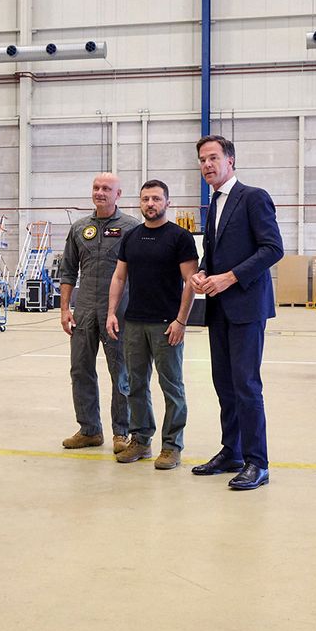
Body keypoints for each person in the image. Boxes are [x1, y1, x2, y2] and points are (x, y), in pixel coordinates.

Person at [190, 135, 284, 490]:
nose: (207, 165)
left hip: (246, 306)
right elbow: (213, 252)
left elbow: (273, 248)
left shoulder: (253, 197)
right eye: (202, 160)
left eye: (213, 158)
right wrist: (202, 270)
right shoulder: (214, 203)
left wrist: (230, 277)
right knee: (224, 384)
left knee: (246, 384)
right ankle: (232, 451)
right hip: (219, 309)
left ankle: (258, 462)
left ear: (230, 160)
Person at [106, 180, 199, 469]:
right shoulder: (131, 237)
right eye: (145, 199)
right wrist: (112, 313)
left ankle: (172, 446)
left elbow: (190, 283)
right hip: (133, 322)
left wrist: (181, 321)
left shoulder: (180, 238)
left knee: (171, 386)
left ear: (167, 203)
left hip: (166, 325)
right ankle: (142, 440)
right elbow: (119, 277)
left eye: (156, 199)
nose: (150, 204)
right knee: (135, 385)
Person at [57, 173, 139, 451]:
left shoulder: (132, 227)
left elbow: (141, 272)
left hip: (119, 311)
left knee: (121, 371)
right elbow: (68, 271)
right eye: (96, 187)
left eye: (107, 188)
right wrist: (65, 309)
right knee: (80, 369)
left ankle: (121, 431)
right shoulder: (80, 229)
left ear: (118, 194)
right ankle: (89, 429)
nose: (100, 192)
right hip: (85, 311)